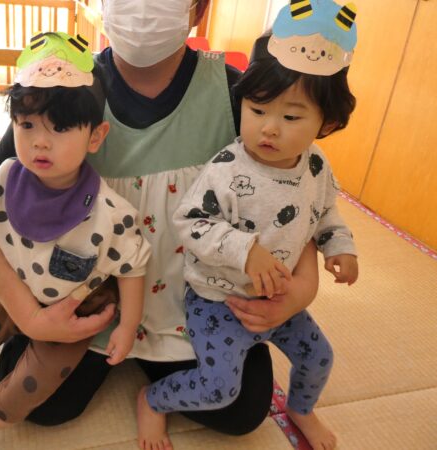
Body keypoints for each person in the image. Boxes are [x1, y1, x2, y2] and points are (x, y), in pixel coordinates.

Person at [0, 0, 321, 442]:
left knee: (242, 410)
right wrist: (30, 317)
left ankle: (157, 377)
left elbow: (296, 190)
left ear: (197, 9)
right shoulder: (66, 88)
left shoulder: (235, 94)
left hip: (196, 305)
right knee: (42, 405)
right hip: (86, 302)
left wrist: (303, 288)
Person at [0, 31, 151, 450]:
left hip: (72, 317)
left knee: (27, 391)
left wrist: (128, 326)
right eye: (26, 124)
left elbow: (133, 267)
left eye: (60, 128)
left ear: (95, 137)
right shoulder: (1, 181)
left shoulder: (110, 212)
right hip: (16, 289)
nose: (40, 140)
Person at [137, 1, 360, 449]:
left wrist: (340, 246)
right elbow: (191, 222)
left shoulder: (316, 166)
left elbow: (325, 213)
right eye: (257, 110)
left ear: (328, 122)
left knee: (319, 357)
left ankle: (300, 408)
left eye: (290, 117)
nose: (268, 129)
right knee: (220, 389)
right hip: (218, 302)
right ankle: (154, 400)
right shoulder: (228, 167)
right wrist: (245, 250)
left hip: (279, 300)